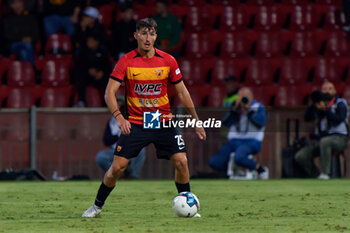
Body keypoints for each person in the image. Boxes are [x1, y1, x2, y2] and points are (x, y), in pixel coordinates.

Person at [82, 18, 206, 217]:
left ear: (156, 36)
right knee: (117, 168)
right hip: (137, 123)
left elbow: (182, 92)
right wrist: (119, 118)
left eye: (152, 34)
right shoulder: (126, 61)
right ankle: (97, 206)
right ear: (136, 36)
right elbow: (109, 93)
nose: (148, 38)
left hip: (163, 121)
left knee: (182, 161)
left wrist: (196, 120)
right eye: (144, 33)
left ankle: (187, 203)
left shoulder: (168, 60)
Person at [209, 87, 269, 180]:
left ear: (251, 97)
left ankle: (259, 169)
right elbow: (225, 123)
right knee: (214, 162)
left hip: (252, 141)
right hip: (234, 142)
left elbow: (261, 122)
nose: (243, 99)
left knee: (239, 157)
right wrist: (234, 109)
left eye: (245, 97)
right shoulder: (236, 109)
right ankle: (233, 171)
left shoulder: (259, 107)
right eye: (240, 97)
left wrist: (248, 110)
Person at [295, 82, 349, 180]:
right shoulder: (318, 105)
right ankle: (317, 175)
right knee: (300, 156)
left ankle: (325, 173)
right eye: (324, 89)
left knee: (325, 142)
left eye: (330, 88)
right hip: (322, 139)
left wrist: (326, 110)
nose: (327, 91)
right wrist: (312, 104)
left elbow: (338, 120)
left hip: (340, 138)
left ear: (335, 91)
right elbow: (307, 118)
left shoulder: (340, 103)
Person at [75, 34, 111, 107]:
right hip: (87, 75)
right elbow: (79, 66)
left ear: (96, 42)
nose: (89, 43)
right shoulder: (83, 52)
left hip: (100, 76)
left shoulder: (103, 52)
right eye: (88, 41)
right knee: (80, 79)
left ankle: (108, 103)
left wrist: (101, 72)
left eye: (91, 41)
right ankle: (81, 102)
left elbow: (107, 66)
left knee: (108, 82)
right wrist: (88, 71)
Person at [2, 0, 39, 64]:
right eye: (16, 3)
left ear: (23, 5)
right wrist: (22, 39)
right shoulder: (7, 19)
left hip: (28, 45)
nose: (18, 5)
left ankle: (26, 72)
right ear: (12, 6)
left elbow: (36, 34)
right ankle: (33, 68)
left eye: (20, 3)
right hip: (13, 45)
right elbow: (7, 36)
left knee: (23, 53)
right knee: (27, 45)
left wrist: (31, 38)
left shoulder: (30, 18)